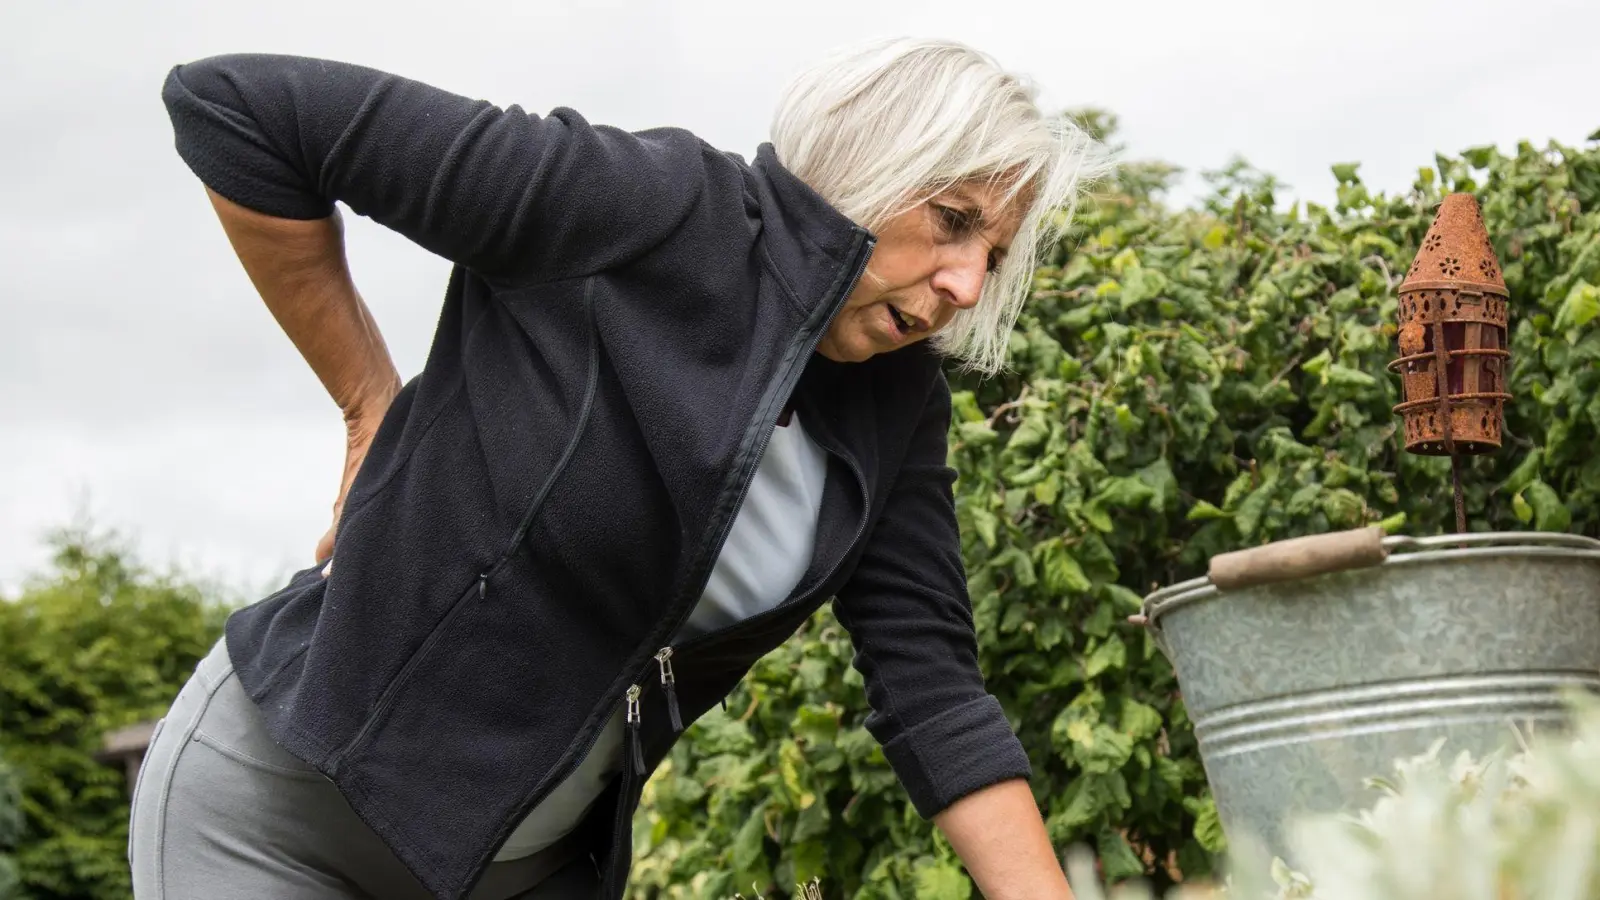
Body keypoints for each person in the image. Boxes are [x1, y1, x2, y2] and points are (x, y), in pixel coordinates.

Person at [133, 36, 1107, 900]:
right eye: (951, 220)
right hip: (273, 827)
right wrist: (365, 404)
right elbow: (241, 110)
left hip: (521, 868)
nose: (966, 286)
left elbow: (932, 694)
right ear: (870, 165)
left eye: (994, 251)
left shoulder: (898, 406)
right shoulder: (648, 209)